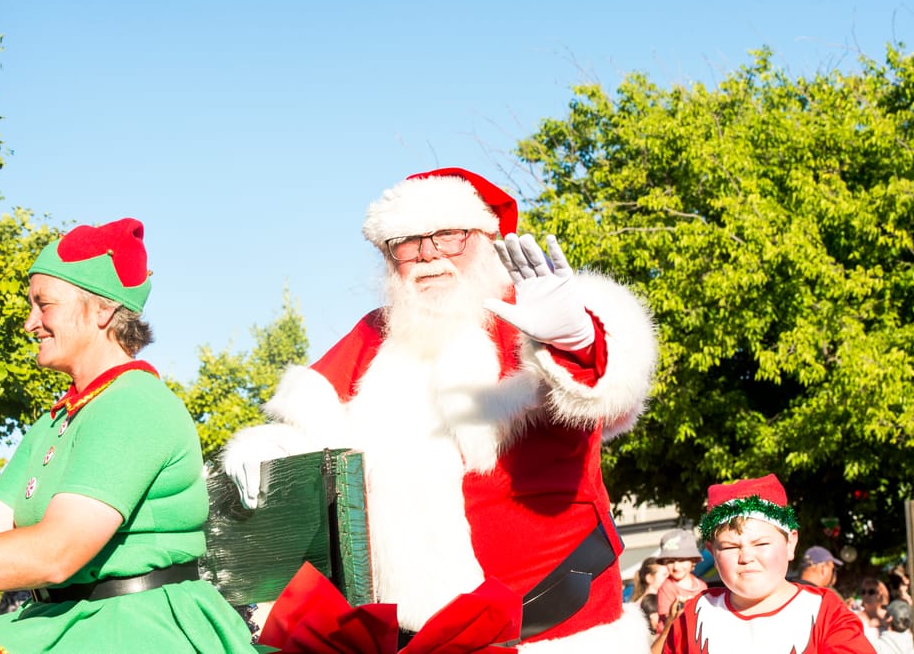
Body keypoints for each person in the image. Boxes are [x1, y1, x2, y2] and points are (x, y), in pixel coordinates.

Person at [223, 167, 658, 651]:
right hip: (424, 635)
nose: (428, 255)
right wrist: (269, 449)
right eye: (407, 244)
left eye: (449, 236)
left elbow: (608, 391)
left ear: (486, 240)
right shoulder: (375, 335)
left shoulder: (533, 315)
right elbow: (312, 427)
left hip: (559, 625)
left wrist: (575, 339)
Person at [0, 219, 254, 653]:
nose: (29, 324)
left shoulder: (135, 404)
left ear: (101, 311)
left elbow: (55, 554)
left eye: (44, 305)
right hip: (65, 620)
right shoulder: (58, 420)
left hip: (135, 627)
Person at [656, 473, 874, 654]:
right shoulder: (694, 615)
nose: (746, 557)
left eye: (761, 544)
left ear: (790, 543)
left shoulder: (825, 613)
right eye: (730, 547)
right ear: (712, 552)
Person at [655, 528, 707, 631]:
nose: (676, 567)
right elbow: (667, 620)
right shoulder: (666, 588)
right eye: (670, 561)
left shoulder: (701, 586)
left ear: (693, 561)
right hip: (672, 635)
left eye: (682, 560)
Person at [858, 576, 890, 643]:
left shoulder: (889, 616)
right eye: (863, 592)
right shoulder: (856, 616)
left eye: (871, 592)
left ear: (881, 595)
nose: (866, 595)